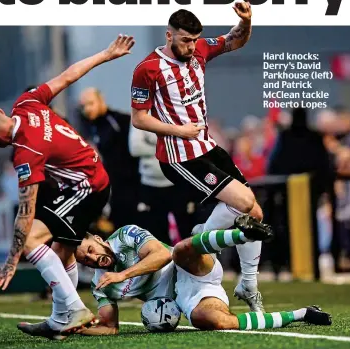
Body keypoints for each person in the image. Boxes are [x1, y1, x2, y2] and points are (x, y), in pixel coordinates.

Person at [0, 34, 135, 337]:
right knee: (61, 251)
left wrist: (11, 261)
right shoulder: (27, 102)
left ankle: (75, 308)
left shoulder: (25, 154)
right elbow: (69, 75)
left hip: (86, 188)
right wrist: (106, 54)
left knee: (31, 240)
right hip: (92, 179)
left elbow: (25, 213)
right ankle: (60, 319)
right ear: (1, 113)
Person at [130, 4, 266, 311]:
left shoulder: (200, 50)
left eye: (194, 41)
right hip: (179, 157)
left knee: (254, 213)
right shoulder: (148, 69)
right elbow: (139, 118)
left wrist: (246, 20)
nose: (191, 47)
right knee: (242, 203)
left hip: (207, 147)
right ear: (169, 35)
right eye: (184, 41)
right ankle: (200, 238)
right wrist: (178, 130)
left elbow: (235, 40)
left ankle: (248, 284)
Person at [17, 217, 331, 339]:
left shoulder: (126, 236)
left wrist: (122, 274)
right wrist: (71, 329)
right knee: (213, 322)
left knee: (179, 248)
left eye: (88, 249)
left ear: (97, 239)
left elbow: (162, 255)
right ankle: (302, 313)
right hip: (184, 298)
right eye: (84, 259)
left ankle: (241, 233)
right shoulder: (102, 284)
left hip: (190, 268)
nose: (89, 257)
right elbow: (109, 327)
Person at [78, 88, 141, 230]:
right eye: (83, 106)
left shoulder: (119, 120)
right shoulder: (92, 126)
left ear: (101, 100)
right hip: (115, 186)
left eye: (90, 103)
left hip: (132, 185)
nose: (87, 109)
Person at [129, 125, 197, 245]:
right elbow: (135, 148)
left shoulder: (174, 112)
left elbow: (186, 146)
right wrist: (167, 147)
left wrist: (151, 145)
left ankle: (191, 262)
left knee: (187, 229)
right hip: (150, 184)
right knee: (157, 232)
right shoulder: (140, 116)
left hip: (178, 182)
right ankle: (165, 262)